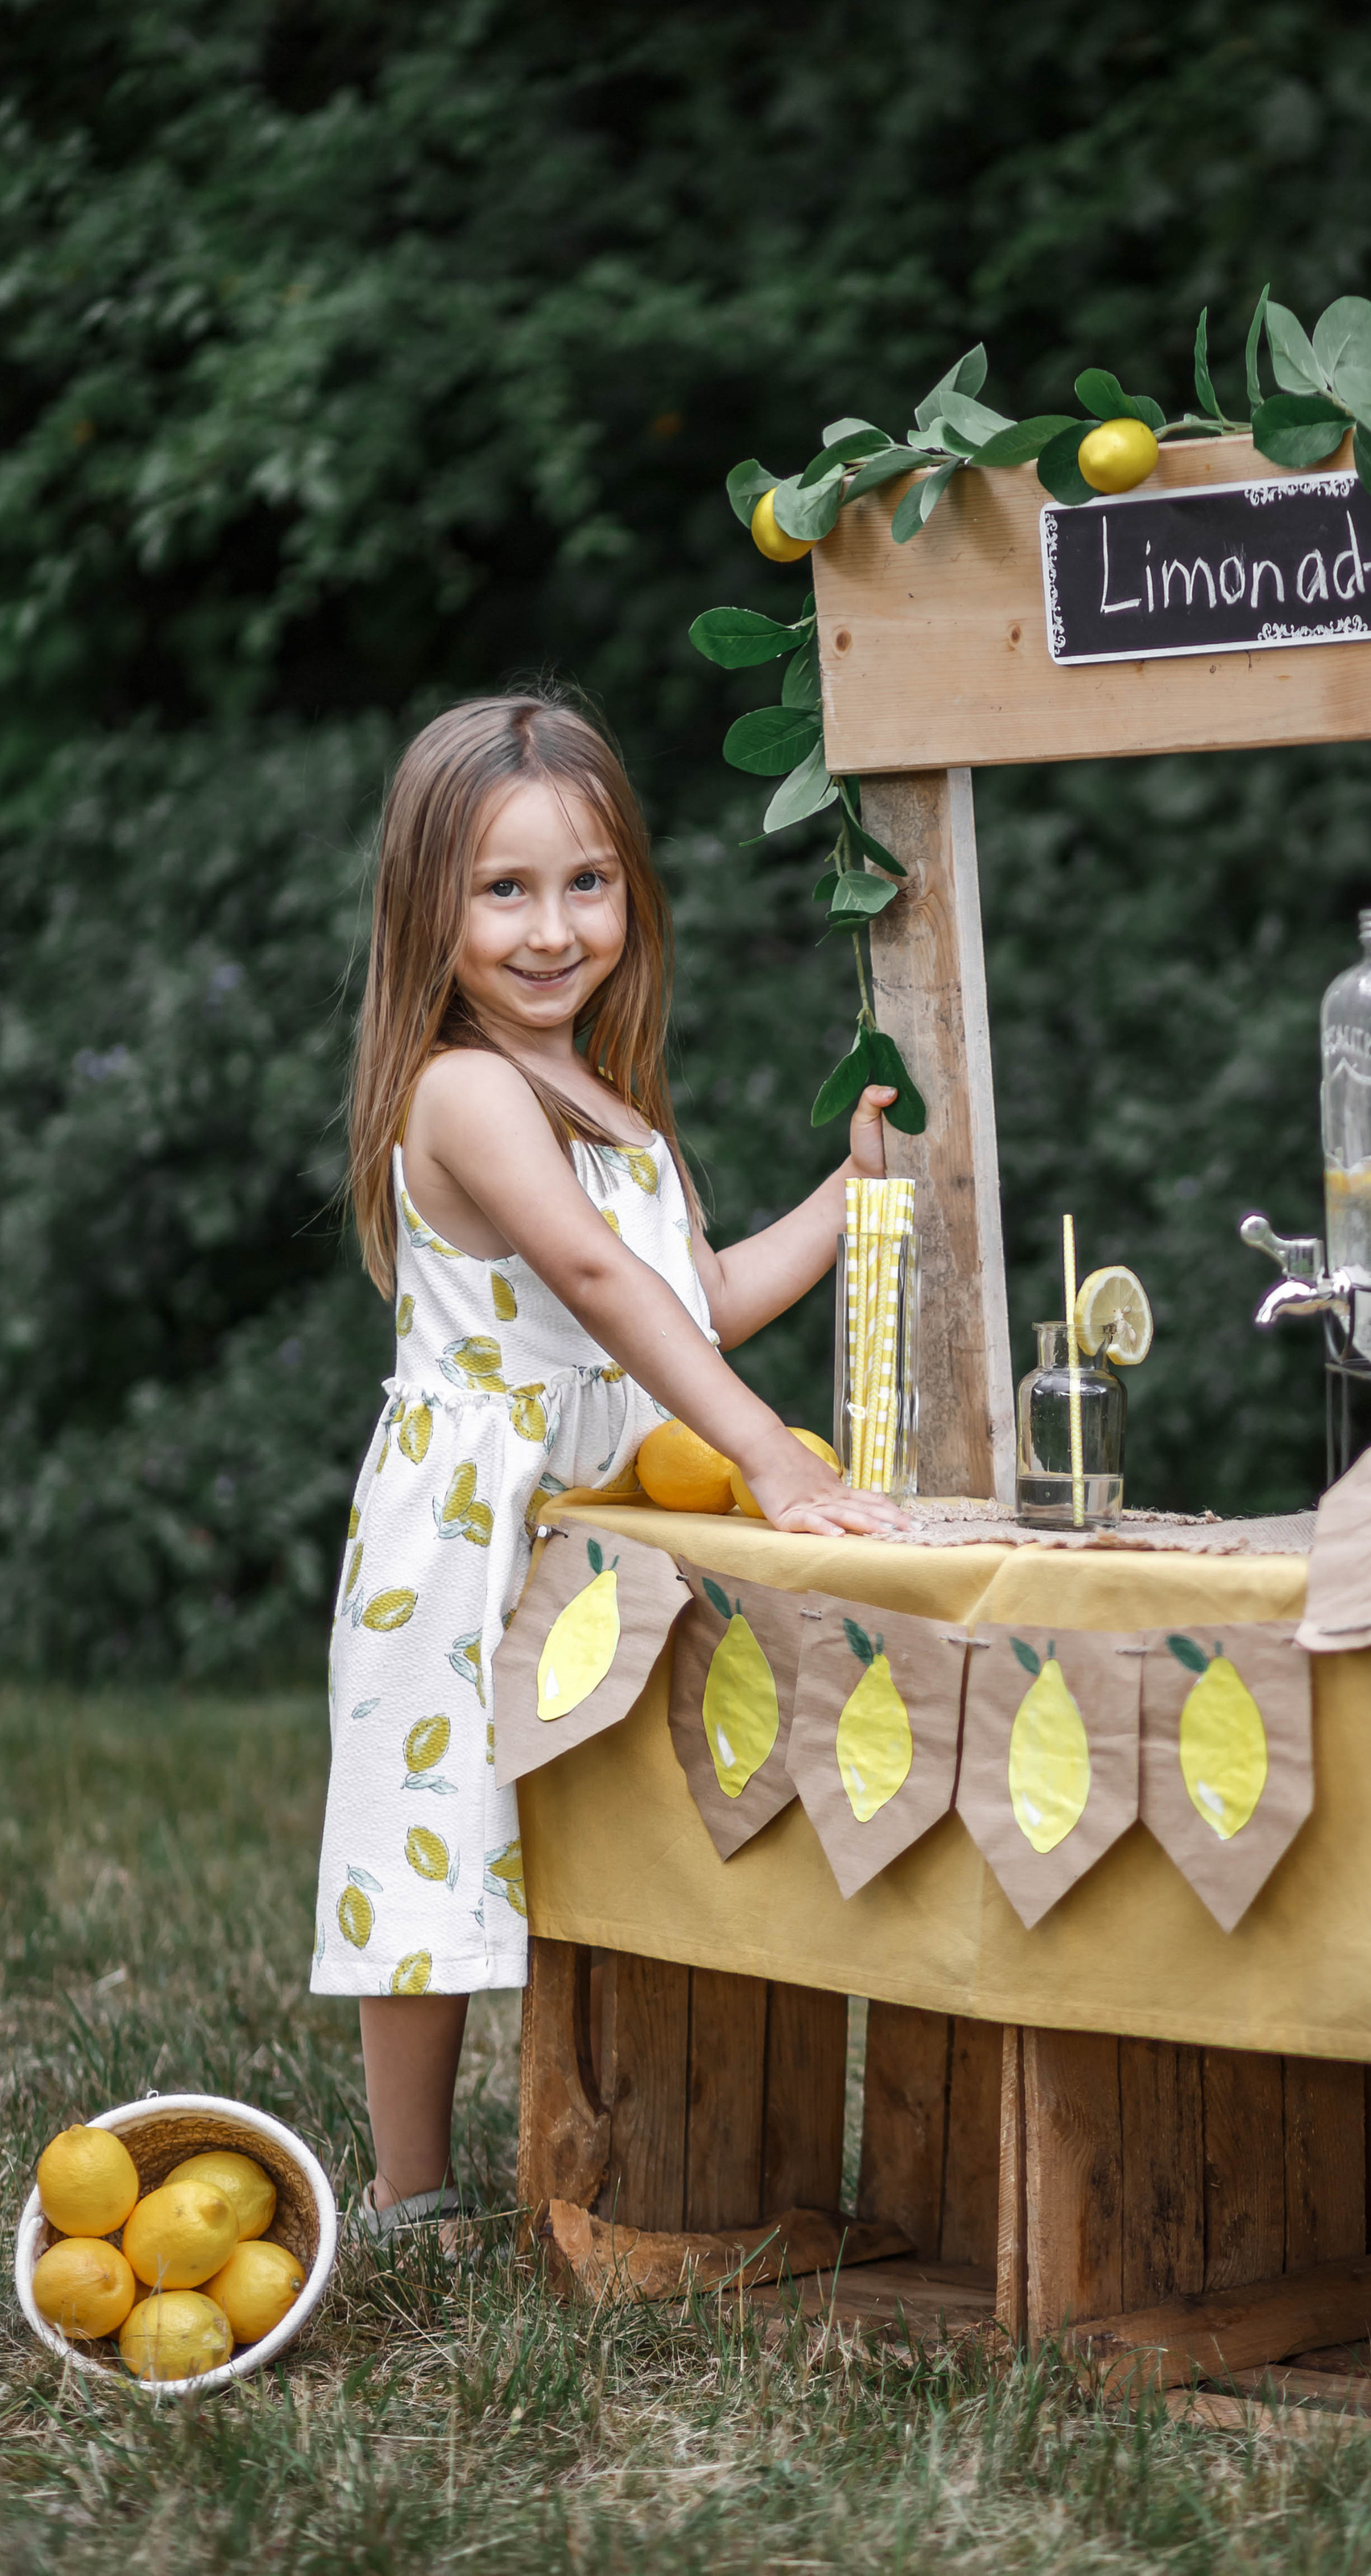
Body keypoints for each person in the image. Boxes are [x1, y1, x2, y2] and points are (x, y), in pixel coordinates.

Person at [312, 691, 904, 2235]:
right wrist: (766, 1454)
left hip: (592, 1498)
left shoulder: (605, 1098)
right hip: (470, 1512)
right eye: (502, 890)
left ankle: (616, 2120)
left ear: (632, 893)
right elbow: (591, 1282)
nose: (550, 928)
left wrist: (849, 1197)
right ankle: (410, 2186)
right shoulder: (461, 1090)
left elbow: (690, 1295)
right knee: (430, 1812)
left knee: (601, 1797)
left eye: (585, 882)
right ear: (426, 909)